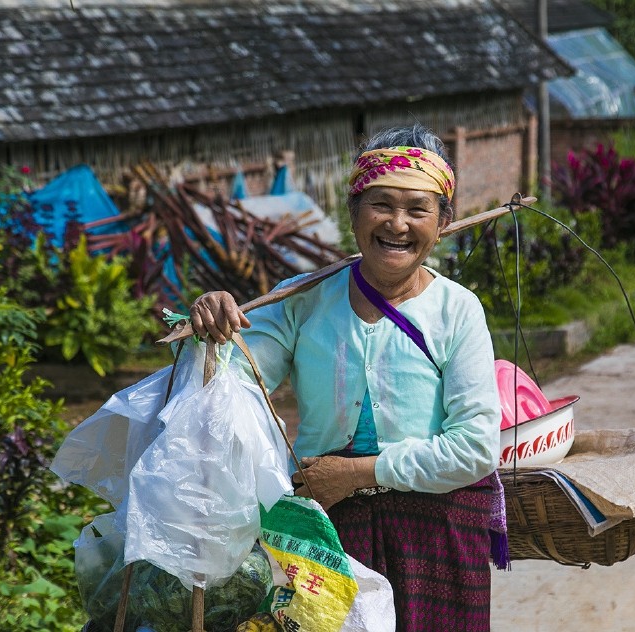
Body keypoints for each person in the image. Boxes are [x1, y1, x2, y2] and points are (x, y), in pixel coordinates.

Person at [189, 124, 505, 632]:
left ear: (442, 222)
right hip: (328, 532)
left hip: (437, 536)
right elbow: (230, 389)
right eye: (381, 204)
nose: (397, 224)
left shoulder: (458, 310)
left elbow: (474, 448)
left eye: (418, 209)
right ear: (353, 212)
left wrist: (357, 474)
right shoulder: (303, 297)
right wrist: (214, 333)